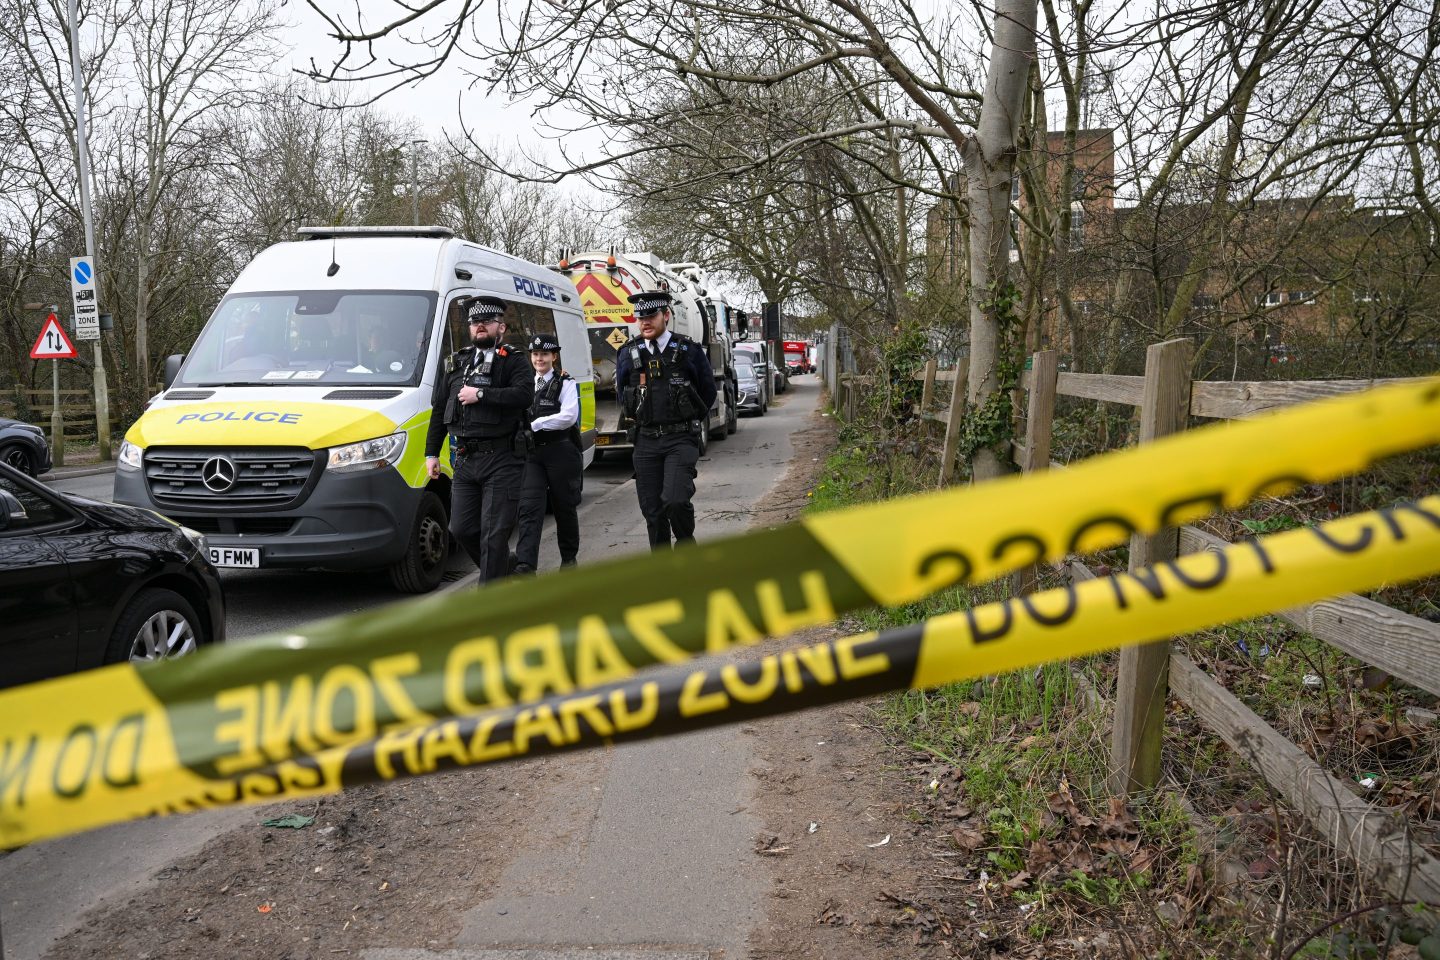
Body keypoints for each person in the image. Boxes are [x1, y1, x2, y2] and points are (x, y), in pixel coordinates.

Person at [424, 295, 533, 583]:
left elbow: (524, 395)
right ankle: (503, 567)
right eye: (475, 322)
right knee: (461, 529)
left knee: (493, 535)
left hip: (502, 459)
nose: (480, 326)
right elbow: (439, 409)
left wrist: (481, 394)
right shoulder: (456, 363)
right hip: (465, 459)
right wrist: (430, 454)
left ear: (502, 327)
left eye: (487, 321)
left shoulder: (513, 361)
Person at [614, 290, 717, 550]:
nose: (645, 322)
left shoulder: (688, 351)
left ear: (666, 316)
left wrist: (687, 422)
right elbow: (623, 395)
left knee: (675, 500)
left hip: (680, 438)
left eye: (651, 316)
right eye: (640, 317)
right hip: (646, 442)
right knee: (653, 512)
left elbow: (707, 393)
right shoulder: (628, 353)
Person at [513, 334, 583, 573]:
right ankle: (525, 565)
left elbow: (569, 416)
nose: (539, 358)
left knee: (564, 507)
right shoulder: (524, 385)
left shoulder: (566, 383)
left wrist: (537, 424)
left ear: (554, 356)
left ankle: (569, 559)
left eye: (544, 354)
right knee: (529, 509)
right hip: (532, 455)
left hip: (560, 451)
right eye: (535, 354)